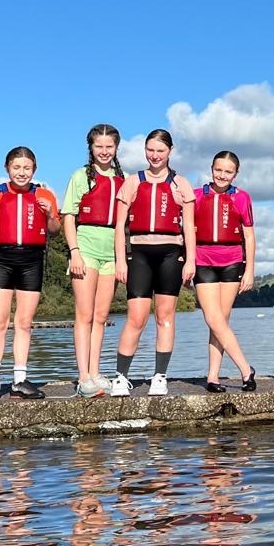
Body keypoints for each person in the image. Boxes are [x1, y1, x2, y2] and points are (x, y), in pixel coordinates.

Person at [110, 129, 197, 396]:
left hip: (171, 254)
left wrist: (190, 261)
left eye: (160, 150)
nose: (155, 155)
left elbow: (189, 227)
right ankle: (121, 377)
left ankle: (160, 376)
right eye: (150, 150)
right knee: (136, 318)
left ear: (170, 151)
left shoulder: (181, 184)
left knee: (165, 317)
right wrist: (120, 261)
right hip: (139, 254)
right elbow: (119, 226)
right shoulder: (132, 182)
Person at [0, 147, 61, 401]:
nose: (22, 173)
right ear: (7, 168)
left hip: (32, 261)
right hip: (1, 260)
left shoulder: (44, 195)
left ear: (34, 170)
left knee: (24, 322)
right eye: (17, 167)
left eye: (27, 168)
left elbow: (55, 230)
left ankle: (20, 380)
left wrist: (50, 213)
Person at [61, 124, 124, 398]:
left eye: (109, 146)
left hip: (111, 251)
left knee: (100, 316)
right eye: (99, 146)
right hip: (86, 246)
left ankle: (96, 371)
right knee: (84, 314)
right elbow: (68, 216)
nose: (104, 151)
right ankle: (83, 377)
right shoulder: (80, 176)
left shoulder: (123, 179)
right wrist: (74, 251)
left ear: (116, 148)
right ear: (91, 148)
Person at [192, 149, 258, 392]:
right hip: (203, 259)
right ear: (211, 169)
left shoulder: (242, 198)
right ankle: (246, 369)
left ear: (236, 173)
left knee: (221, 321)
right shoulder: (196, 196)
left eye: (228, 172)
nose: (222, 175)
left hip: (232, 261)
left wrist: (249, 270)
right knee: (213, 318)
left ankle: (213, 376)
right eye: (218, 170)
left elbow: (249, 236)